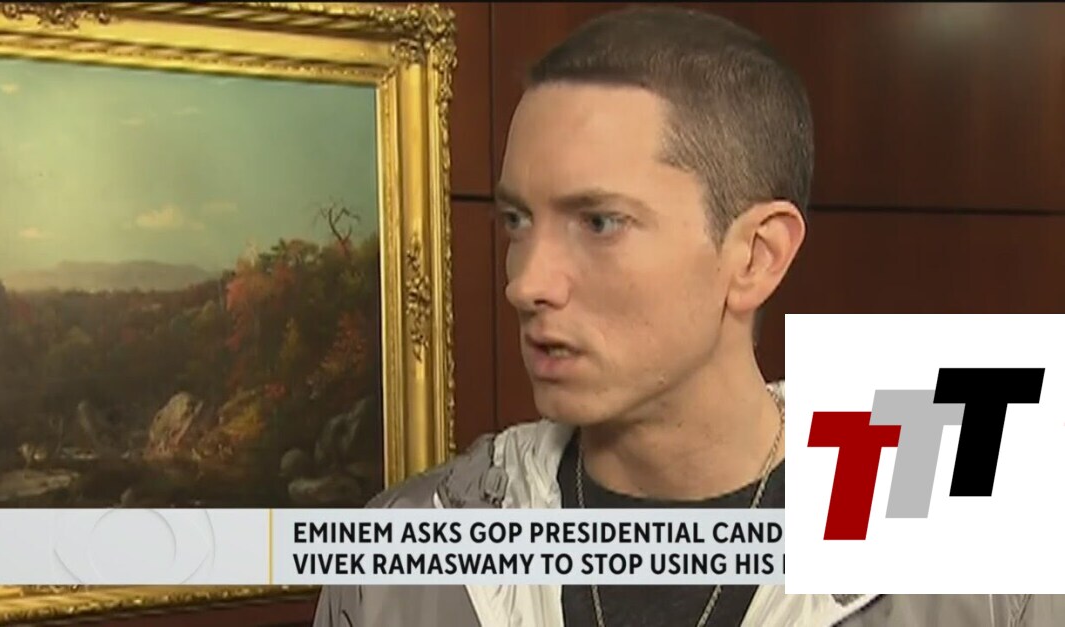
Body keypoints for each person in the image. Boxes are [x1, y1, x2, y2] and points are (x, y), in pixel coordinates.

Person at [314, 6, 1059, 626]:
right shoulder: (402, 563)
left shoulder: (986, 552)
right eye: (517, 220)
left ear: (756, 256)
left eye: (599, 222)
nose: (525, 282)